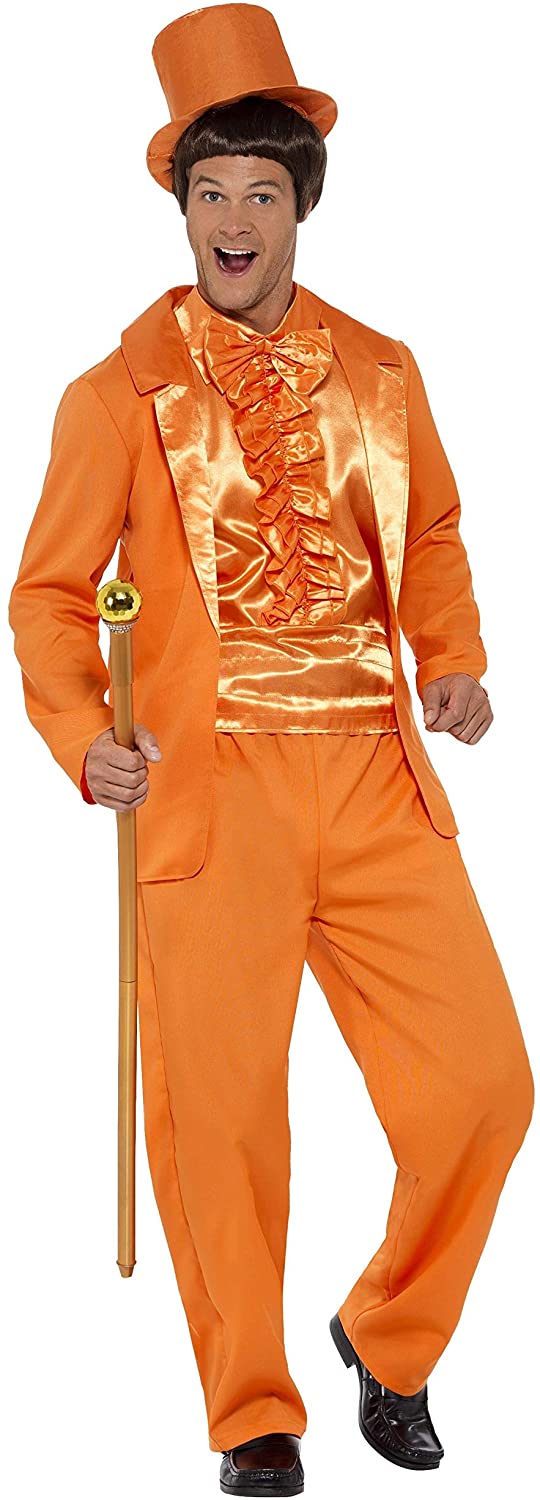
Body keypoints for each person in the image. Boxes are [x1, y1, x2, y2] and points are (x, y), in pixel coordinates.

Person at [8, 5, 534, 1495]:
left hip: (376, 778)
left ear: (302, 207)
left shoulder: (385, 372)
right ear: (180, 210)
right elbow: (49, 596)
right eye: (210, 192)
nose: (234, 219)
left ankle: (391, 1337)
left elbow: (433, 532)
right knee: (226, 1120)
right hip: (209, 791)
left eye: (261, 191)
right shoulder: (115, 397)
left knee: (485, 1085)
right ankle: (253, 1408)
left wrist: (452, 659)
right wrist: (83, 737)